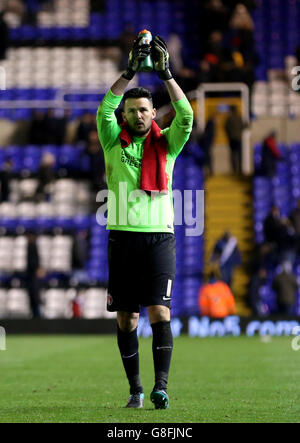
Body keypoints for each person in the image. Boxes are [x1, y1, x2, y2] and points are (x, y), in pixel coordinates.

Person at [96, 35, 193, 409]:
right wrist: (130, 71)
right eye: (133, 109)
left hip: (159, 240)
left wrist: (166, 75)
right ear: (126, 114)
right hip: (121, 239)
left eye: (145, 110)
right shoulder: (111, 140)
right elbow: (104, 109)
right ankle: (135, 389)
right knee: (126, 319)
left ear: (154, 114)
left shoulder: (167, 144)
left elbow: (187, 116)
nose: (138, 114)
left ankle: (161, 387)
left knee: (160, 312)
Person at [25, 232, 44, 318]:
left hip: (32, 276)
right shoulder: (31, 246)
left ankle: (37, 315)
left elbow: (34, 261)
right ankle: (36, 314)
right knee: (34, 296)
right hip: (31, 275)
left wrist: (37, 268)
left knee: (35, 296)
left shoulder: (32, 246)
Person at [224, 105, 244, 174]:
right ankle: (240, 169)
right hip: (239, 138)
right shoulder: (239, 117)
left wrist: (230, 134)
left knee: (233, 154)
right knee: (239, 154)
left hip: (232, 138)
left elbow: (226, 127)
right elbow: (243, 126)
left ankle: (234, 170)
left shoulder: (229, 118)